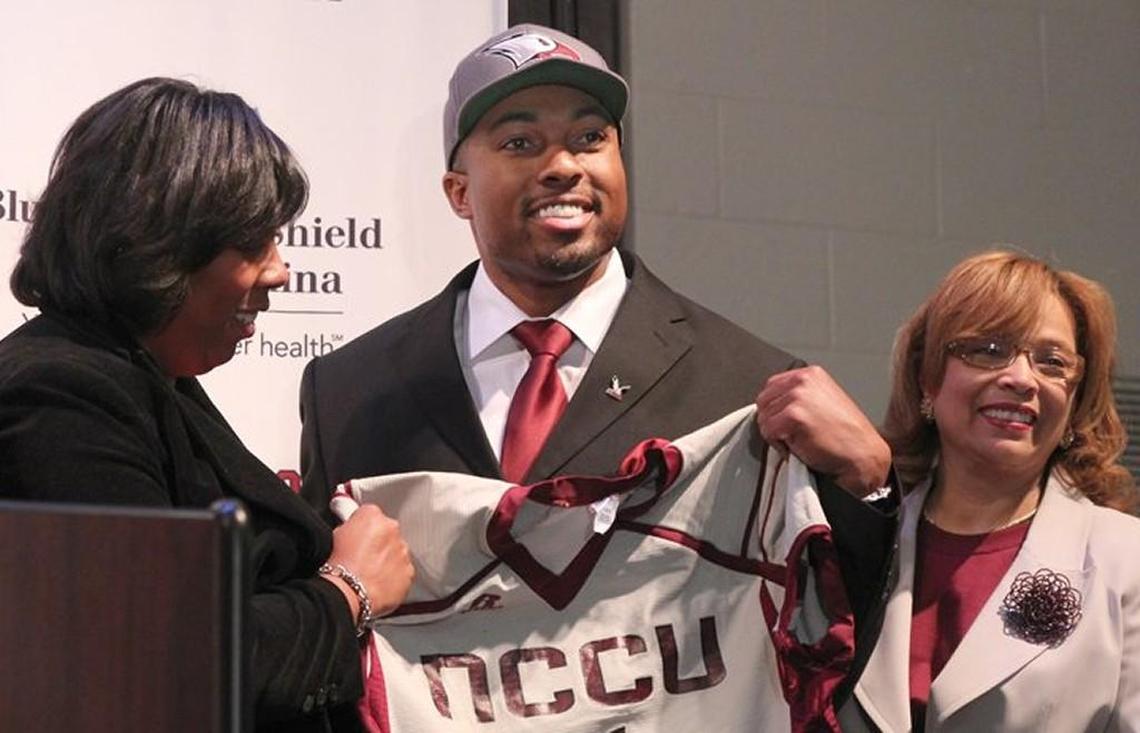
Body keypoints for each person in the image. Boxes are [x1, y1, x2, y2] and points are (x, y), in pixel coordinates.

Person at [298, 23, 894, 683]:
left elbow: (830, 645)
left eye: (591, 137)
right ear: (458, 191)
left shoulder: (748, 384)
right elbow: (328, 654)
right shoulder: (347, 391)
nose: (563, 165)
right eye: (520, 142)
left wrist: (870, 487)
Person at [0, 77, 414, 732]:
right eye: (255, 243)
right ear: (159, 245)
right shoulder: (60, 394)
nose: (280, 270)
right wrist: (347, 590)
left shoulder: (138, 372)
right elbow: (152, 662)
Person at [839, 250, 1140, 732]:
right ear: (928, 378)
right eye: (989, 350)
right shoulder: (851, 544)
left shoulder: (1128, 562)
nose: (1021, 379)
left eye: (1052, 361)